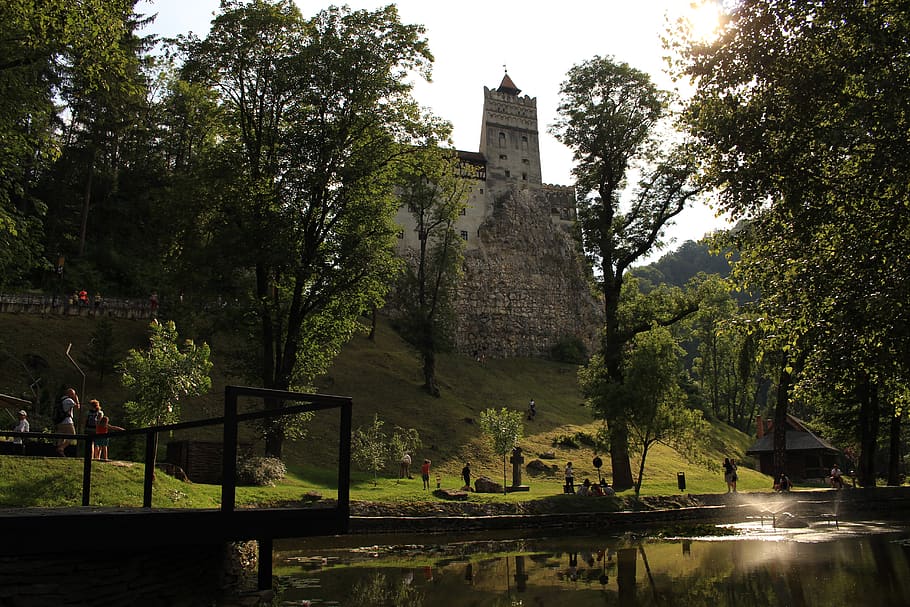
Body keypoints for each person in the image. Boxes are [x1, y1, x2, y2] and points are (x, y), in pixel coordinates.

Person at [56, 388, 80, 456]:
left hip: (60, 421)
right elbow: (78, 407)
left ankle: (59, 452)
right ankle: (61, 448)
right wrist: (76, 399)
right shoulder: (69, 400)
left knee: (61, 437)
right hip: (67, 421)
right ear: (69, 394)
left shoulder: (61, 399)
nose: (73, 395)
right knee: (72, 435)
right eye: (73, 394)